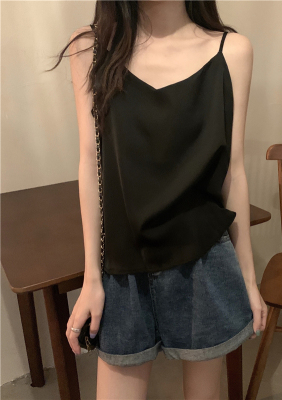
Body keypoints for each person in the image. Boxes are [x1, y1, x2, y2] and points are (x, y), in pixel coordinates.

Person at [53, 1, 268, 399]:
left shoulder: (232, 51)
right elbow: (91, 163)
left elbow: (233, 171)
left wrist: (248, 280)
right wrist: (92, 277)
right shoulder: (90, 49)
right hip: (123, 270)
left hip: (204, 262)